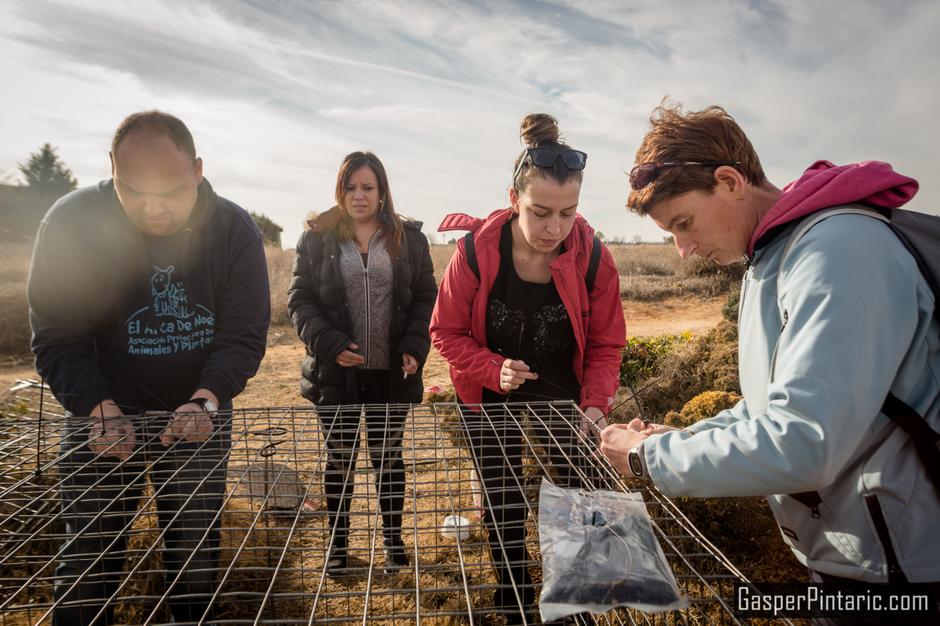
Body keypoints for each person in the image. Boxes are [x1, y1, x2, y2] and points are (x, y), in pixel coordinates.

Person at [601, 102, 940, 624]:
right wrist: (677, 440)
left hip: (905, 573)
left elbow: (804, 440)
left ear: (731, 180)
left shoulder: (838, 251)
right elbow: (767, 409)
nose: (683, 250)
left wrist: (650, 460)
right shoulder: (772, 259)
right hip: (857, 561)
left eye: (684, 222)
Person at [27, 110, 270, 625]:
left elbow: (242, 335)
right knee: (88, 560)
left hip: (197, 413)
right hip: (101, 412)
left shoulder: (233, 228)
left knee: (194, 562)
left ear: (198, 171)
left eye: (170, 191)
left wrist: (207, 398)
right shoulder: (71, 222)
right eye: (133, 190)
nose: (153, 207)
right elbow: (55, 335)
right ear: (111, 169)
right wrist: (97, 407)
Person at [430, 113, 626, 624]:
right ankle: (513, 593)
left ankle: (572, 601)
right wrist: (492, 368)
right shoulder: (474, 252)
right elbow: (444, 332)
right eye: (540, 212)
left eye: (568, 213)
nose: (554, 229)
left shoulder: (594, 258)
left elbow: (607, 342)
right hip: (488, 394)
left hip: (565, 397)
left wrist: (596, 403)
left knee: (573, 498)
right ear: (514, 198)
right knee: (501, 499)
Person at [288, 151, 437, 576]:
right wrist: (330, 343)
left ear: (382, 191)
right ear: (340, 189)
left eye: (368, 187)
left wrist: (413, 344)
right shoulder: (316, 239)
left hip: (392, 373)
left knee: (388, 459)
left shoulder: (408, 238)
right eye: (351, 187)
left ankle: (393, 543)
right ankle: (338, 546)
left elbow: (426, 295)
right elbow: (300, 301)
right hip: (337, 374)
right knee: (340, 459)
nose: (359, 196)